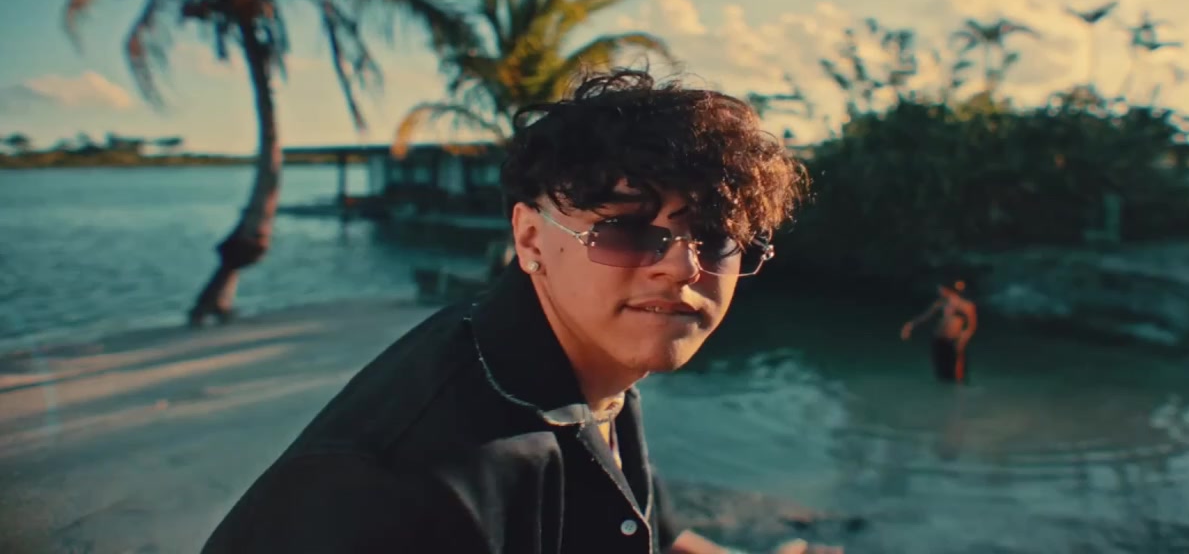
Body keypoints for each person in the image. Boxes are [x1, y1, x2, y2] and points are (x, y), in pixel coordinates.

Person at [200, 69, 841, 554]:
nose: (681, 268)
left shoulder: (591, 366)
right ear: (531, 239)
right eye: (625, 231)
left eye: (717, 239)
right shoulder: (414, 485)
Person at [900, 280, 977, 383]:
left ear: (948, 290)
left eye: (941, 288)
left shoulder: (966, 305)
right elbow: (925, 316)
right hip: (939, 340)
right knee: (941, 372)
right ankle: (944, 390)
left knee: (958, 374)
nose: (939, 291)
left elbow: (971, 325)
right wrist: (910, 325)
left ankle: (959, 390)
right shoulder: (940, 303)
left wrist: (963, 339)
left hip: (955, 340)